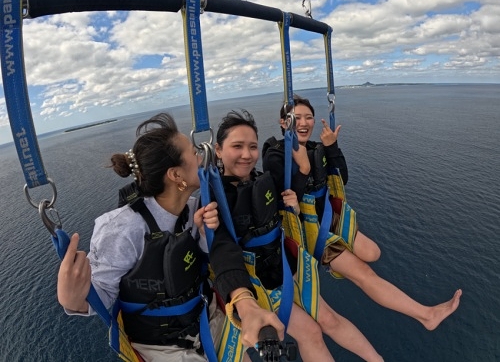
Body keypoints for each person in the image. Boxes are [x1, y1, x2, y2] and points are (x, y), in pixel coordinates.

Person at [57, 112, 283, 362]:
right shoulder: (122, 228)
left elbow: (210, 256)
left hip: (206, 319)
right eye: (194, 154)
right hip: (160, 346)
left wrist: (204, 234)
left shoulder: (195, 209)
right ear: (176, 175)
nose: (202, 158)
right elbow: (101, 293)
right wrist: (73, 300)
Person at [262, 95, 462, 331]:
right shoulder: (277, 156)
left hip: (328, 218)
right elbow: (284, 205)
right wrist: (303, 168)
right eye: (297, 118)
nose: (304, 123)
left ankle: (336, 264)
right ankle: (426, 316)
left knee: (372, 252)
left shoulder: (316, 148)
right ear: (284, 123)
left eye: (309, 117)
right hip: (308, 231)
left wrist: (332, 146)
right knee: (364, 274)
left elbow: (342, 178)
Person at [212, 109, 384, 362]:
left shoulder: (263, 182)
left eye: (252, 147)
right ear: (218, 150)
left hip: (284, 269)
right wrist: (204, 225)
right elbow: (219, 250)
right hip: (256, 284)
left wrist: (292, 207)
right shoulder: (213, 200)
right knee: (312, 331)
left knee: (328, 320)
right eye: (237, 146)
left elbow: (281, 217)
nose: (246, 155)